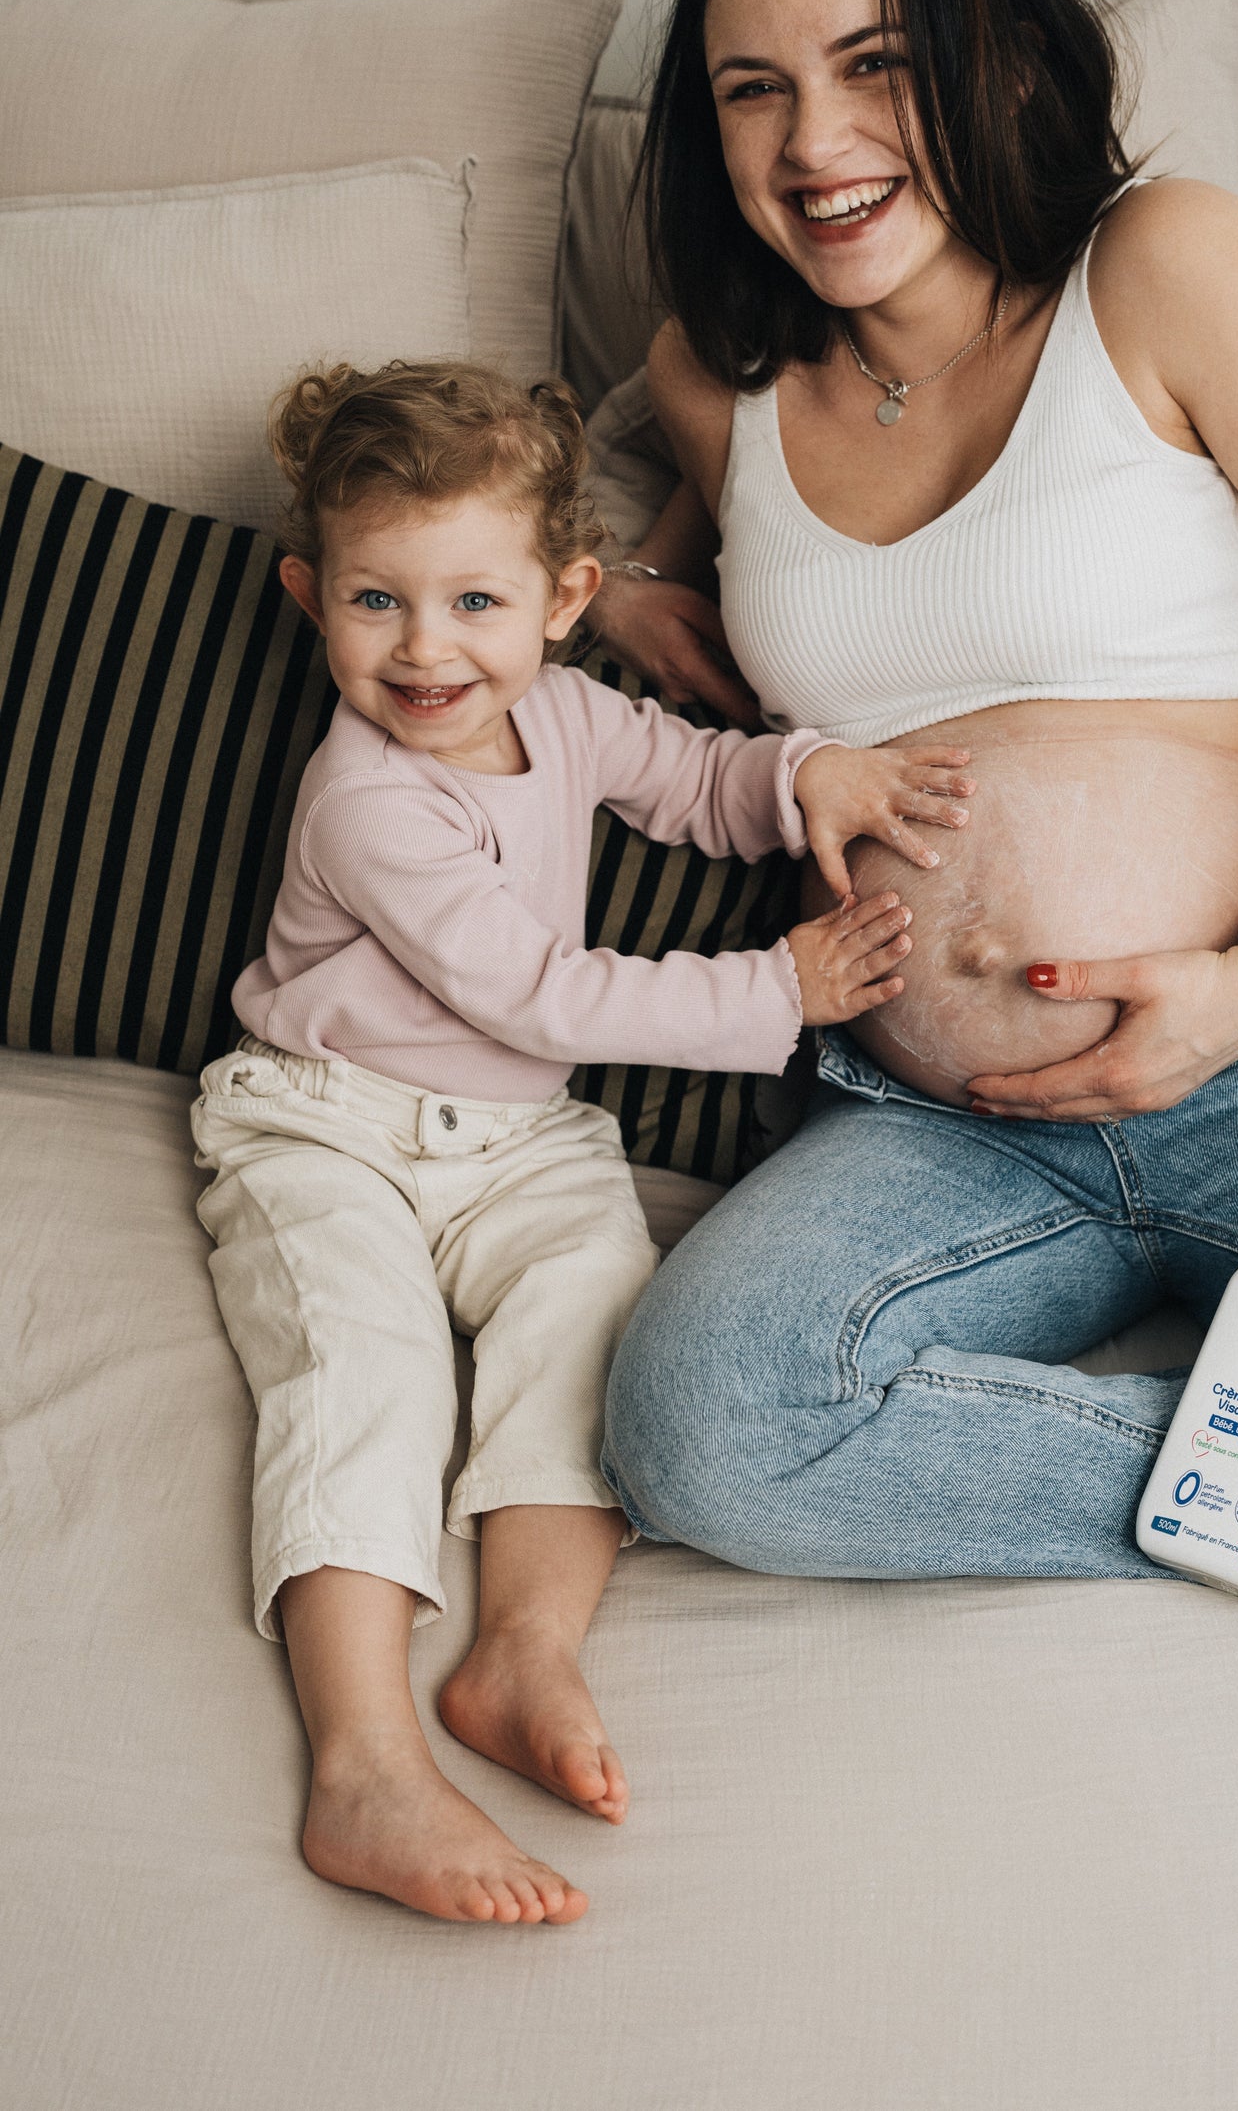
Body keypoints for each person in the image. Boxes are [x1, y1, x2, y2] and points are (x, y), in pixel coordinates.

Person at [592, 0, 1238, 1592]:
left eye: (878, 65)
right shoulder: (720, 377)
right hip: (935, 1120)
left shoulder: (1164, 268)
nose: (816, 144)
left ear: (998, 58)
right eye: (754, 90)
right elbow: (608, 510)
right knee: (705, 1421)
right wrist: (631, 577)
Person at [190, 356, 974, 1923]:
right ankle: (361, 1760)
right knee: (367, 1371)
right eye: (376, 603)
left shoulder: (561, 710)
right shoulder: (367, 801)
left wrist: (804, 771)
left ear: (565, 599)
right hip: (324, 1125)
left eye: (474, 603)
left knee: (590, 1316)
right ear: (309, 594)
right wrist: (779, 987)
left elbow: (689, 775)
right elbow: (541, 993)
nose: (426, 651)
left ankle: (520, 1650)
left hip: (519, 1139)